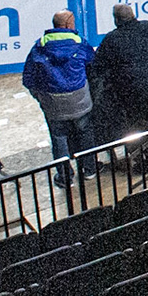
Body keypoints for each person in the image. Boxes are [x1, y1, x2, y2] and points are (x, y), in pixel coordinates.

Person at [22, 11, 98, 186]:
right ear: (68, 24)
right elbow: (93, 66)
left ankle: (64, 176)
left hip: (53, 104)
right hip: (80, 101)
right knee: (85, 133)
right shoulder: (80, 44)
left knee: (59, 139)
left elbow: (28, 79)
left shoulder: (38, 48)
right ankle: (90, 169)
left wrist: (41, 97)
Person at [95, 3, 148, 139]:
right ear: (133, 14)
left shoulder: (112, 39)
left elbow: (99, 65)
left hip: (136, 94)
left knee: (141, 131)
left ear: (116, 19)